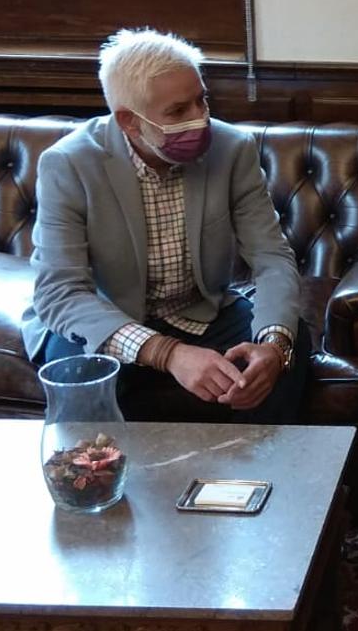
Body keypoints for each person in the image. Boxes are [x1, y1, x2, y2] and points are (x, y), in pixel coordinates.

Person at [22, 28, 309, 424]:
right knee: (77, 376)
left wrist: (274, 345)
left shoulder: (232, 149)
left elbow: (272, 257)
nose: (200, 119)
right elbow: (60, 292)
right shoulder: (68, 164)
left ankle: (259, 462)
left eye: (201, 100)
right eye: (177, 112)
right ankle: (101, 468)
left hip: (198, 311)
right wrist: (168, 353)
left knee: (293, 341)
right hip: (104, 317)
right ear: (129, 121)